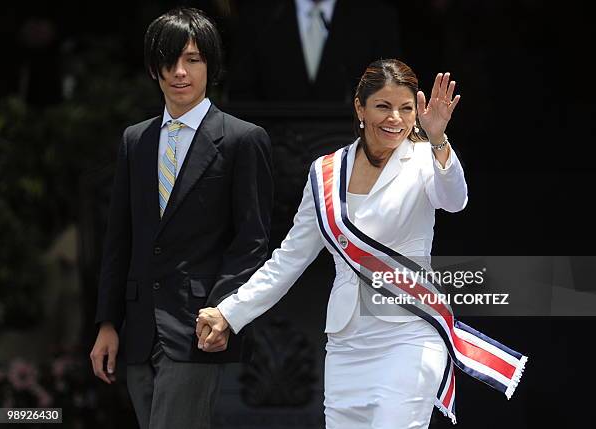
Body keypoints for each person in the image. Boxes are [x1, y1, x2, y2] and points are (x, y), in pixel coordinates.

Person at [197, 59, 527, 428]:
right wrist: (230, 312)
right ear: (360, 108)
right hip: (346, 344)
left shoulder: (423, 159)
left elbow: (455, 199)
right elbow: (289, 259)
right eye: (383, 106)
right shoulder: (325, 172)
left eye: (405, 108)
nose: (395, 119)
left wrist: (438, 139)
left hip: (410, 332)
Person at [89, 7, 273, 429]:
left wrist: (224, 312)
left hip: (198, 327)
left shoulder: (243, 140)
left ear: (211, 64)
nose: (180, 72)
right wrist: (107, 322)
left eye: (192, 59)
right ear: (154, 69)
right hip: (137, 330)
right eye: (169, 61)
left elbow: (251, 241)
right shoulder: (136, 139)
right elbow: (120, 238)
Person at [227, 0, 401, 103]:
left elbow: (390, 90)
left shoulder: (376, 16)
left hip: (352, 148)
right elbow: (240, 92)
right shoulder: (258, 15)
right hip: (274, 149)